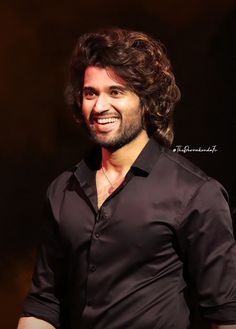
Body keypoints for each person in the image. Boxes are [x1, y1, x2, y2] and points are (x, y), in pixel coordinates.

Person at [17, 27, 236, 329]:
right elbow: (43, 304)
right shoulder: (62, 191)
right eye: (90, 93)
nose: (99, 106)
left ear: (146, 101)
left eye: (116, 92)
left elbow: (225, 315)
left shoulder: (196, 193)